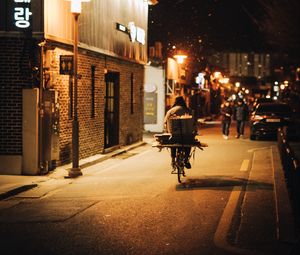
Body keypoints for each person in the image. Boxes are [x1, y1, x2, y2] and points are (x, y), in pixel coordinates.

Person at [164, 96, 195, 169]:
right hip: (186, 136)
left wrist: (167, 130)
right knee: (188, 144)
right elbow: (194, 123)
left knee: (173, 144)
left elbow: (165, 122)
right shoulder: (189, 111)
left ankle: (172, 160)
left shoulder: (170, 111)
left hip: (174, 136)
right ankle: (186, 159)